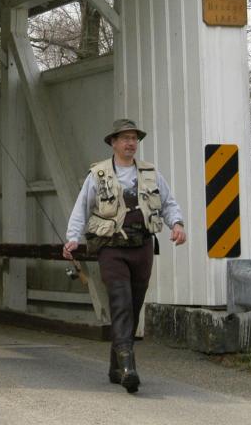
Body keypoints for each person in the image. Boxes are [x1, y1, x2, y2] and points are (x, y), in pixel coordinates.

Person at [62, 118, 186, 394]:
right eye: (125, 138)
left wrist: (177, 224)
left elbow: (168, 203)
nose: (131, 143)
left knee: (133, 306)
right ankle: (129, 367)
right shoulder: (98, 175)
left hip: (142, 247)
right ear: (113, 143)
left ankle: (115, 367)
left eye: (134, 138)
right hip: (111, 247)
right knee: (120, 301)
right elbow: (81, 208)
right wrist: (72, 239)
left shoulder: (151, 173)